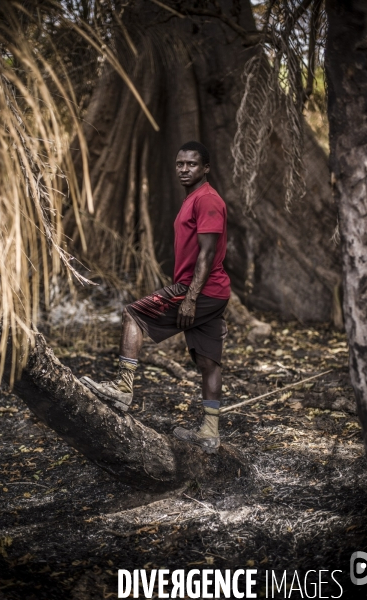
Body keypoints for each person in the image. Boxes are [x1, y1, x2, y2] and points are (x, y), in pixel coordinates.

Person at [80, 141, 231, 453]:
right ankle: (210, 433)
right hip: (211, 292)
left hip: (196, 289)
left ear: (205, 169)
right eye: (180, 164)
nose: (184, 169)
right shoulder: (194, 199)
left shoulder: (208, 200)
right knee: (207, 361)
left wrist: (191, 299)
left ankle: (123, 387)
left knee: (133, 314)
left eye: (191, 164)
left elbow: (207, 253)